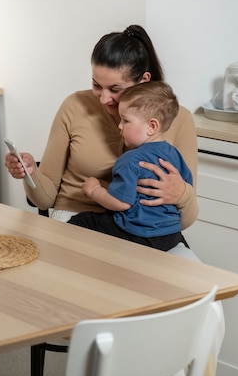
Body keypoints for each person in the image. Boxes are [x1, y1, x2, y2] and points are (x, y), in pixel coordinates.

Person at [5, 24, 198, 231]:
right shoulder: (75, 106)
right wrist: (31, 173)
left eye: (116, 89)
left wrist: (182, 195)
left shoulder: (180, 119)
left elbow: (185, 221)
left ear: (144, 80)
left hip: (143, 229)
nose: (104, 99)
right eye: (97, 85)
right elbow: (45, 200)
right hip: (76, 218)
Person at [68, 81, 193, 251]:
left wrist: (94, 191)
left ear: (152, 126)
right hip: (170, 235)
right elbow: (186, 186)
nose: (119, 126)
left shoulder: (131, 159)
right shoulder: (174, 154)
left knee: (83, 221)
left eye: (126, 121)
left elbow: (121, 203)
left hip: (137, 234)